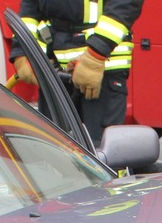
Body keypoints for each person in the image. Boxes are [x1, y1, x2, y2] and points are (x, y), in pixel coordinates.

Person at [10, 0, 143, 145]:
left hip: (101, 72)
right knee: (54, 150)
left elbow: (125, 5)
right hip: (54, 71)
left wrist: (95, 55)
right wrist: (22, 49)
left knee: (101, 153)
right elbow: (30, 6)